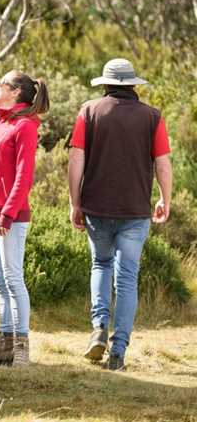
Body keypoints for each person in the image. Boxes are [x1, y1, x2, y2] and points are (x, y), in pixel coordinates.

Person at [68, 58, 172, 371]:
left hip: (96, 209)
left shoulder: (89, 111)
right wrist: (165, 199)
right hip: (135, 211)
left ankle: (98, 329)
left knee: (100, 264)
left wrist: (75, 202)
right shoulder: (153, 117)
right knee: (127, 278)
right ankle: (119, 351)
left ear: (107, 84)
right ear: (132, 85)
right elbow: (163, 162)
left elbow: (76, 160)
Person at [0, 70, 49, 368]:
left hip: (10, 217)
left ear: (15, 92)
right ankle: (3, 345)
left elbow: (24, 177)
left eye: (1, 83)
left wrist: (7, 214)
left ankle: (21, 349)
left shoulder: (25, 126)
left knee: (14, 279)